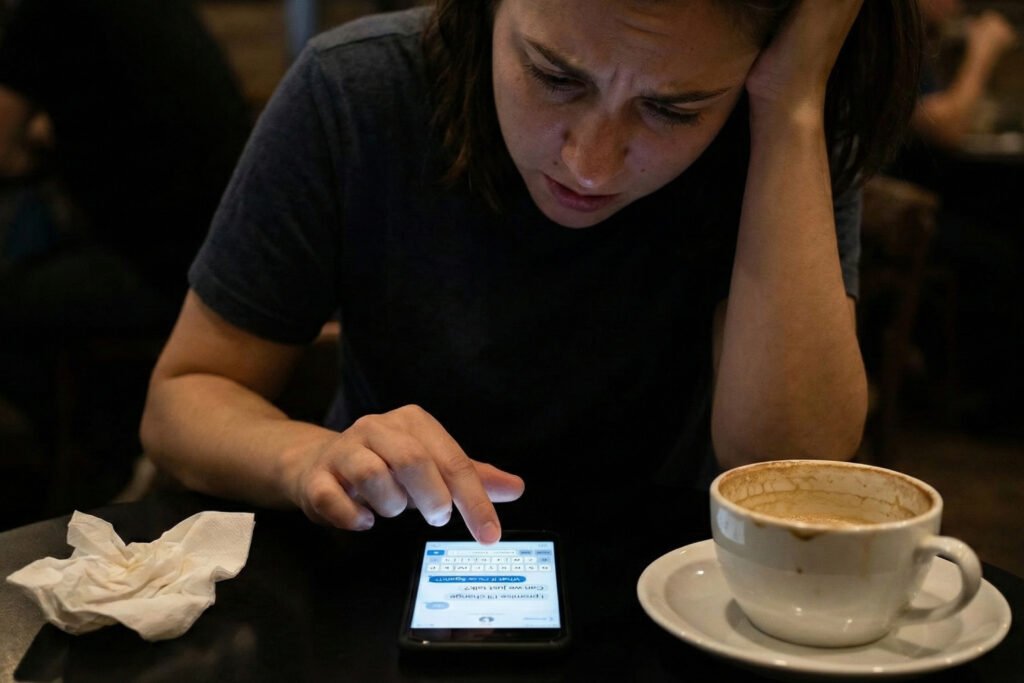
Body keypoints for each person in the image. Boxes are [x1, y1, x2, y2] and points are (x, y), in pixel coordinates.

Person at [140, 0, 922, 544]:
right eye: (555, 76)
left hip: (667, 589)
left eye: (674, 110)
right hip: (387, 572)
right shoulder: (357, 95)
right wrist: (306, 455)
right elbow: (183, 401)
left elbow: (787, 468)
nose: (590, 163)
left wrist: (788, 109)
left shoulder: (775, 125)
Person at [0, 0, 252, 521]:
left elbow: (4, 148)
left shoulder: (42, 13)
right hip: (223, 260)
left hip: (166, 274)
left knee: (9, 302)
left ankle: (68, 487)